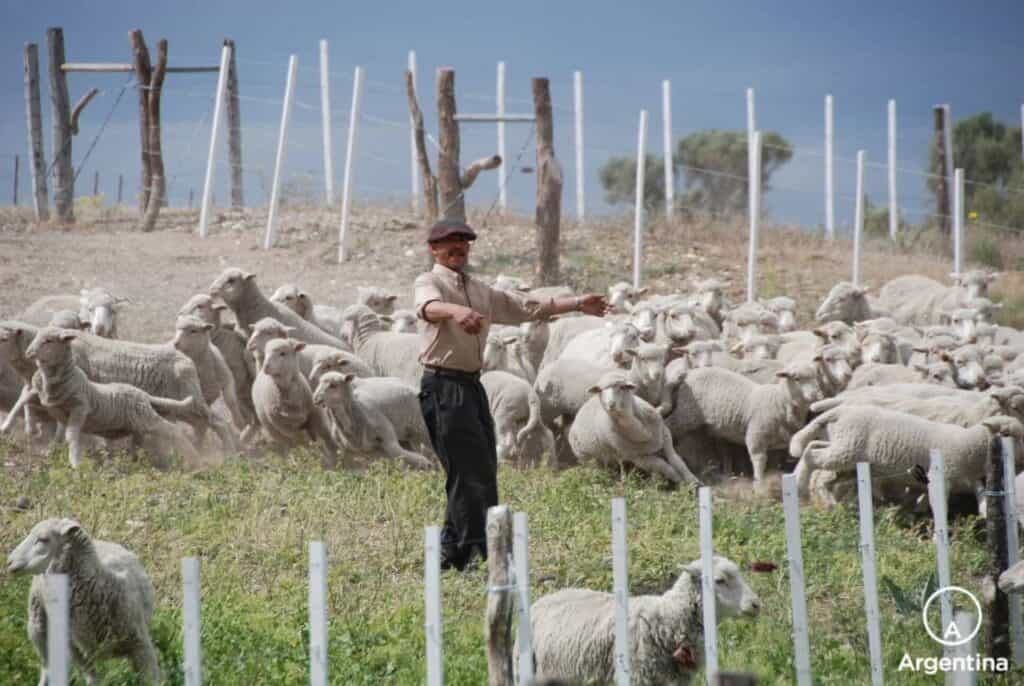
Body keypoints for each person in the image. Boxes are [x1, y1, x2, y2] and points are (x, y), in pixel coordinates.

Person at [414, 218, 610, 570]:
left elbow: (525, 306)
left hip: (472, 385)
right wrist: (457, 311)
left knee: (484, 467)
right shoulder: (429, 282)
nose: (458, 248)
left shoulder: (480, 289)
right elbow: (427, 308)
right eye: (450, 243)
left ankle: (468, 549)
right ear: (434, 249)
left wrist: (578, 303)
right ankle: (468, 552)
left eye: (464, 242)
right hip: (442, 385)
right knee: (464, 470)